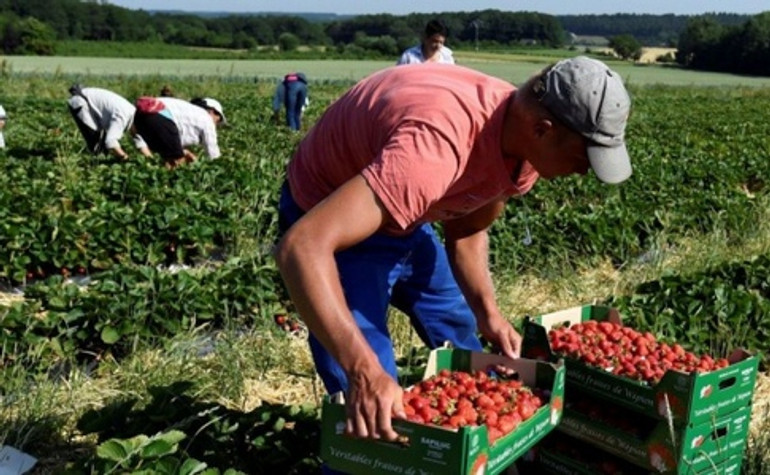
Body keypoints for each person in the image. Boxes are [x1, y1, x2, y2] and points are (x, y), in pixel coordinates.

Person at [274, 56, 632, 446]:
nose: (584, 173)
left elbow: (466, 228)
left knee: (463, 335)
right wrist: (363, 370)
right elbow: (302, 247)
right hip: (333, 217)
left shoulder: (523, 150)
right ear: (543, 129)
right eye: (583, 158)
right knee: (369, 397)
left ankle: (474, 452)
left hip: (408, 208)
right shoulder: (433, 149)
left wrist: (488, 313)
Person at [132, 96, 226, 169]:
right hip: (159, 117)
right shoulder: (206, 118)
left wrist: (183, 152)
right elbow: (213, 153)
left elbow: (172, 140)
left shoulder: (186, 110)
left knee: (169, 157)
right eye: (218, 120)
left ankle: (163, 183)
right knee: (177, 162)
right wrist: (218, 169)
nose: (216, 124)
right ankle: (168, 187)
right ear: (213, 112)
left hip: (140, 114)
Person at [67, 85, 151, 160]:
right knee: (96, 142)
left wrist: (150, 160)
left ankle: (99, 161)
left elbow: (140, 141)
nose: (137, 134)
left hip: (89, 102)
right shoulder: (122, 117)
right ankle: (95, 167)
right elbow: (110, 141)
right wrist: (125, 158)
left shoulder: (134, 117)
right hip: (81, 101)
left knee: (101, 139)